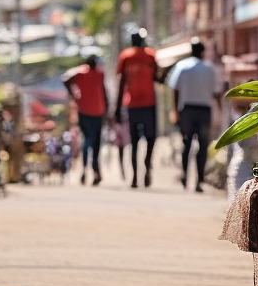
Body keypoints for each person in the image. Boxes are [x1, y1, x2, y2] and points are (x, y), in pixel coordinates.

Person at [167, 38, 220, 192]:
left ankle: (185, 175)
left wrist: (175, 111)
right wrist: (219, 111)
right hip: (204, 111)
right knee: (202, 147)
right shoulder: (209, 69)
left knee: (187, 144)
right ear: (203, 51)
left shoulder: (182, 66)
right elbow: (215, 92)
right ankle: (199, 180)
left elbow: (175, 90)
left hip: (187, 111)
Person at [116, 30, 159, 189]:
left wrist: (117, 107)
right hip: (148, 104)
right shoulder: (150, 55)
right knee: (150, 139)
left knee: (134, 142)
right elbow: (157, 76)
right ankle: (146, 167)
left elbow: (121, 83)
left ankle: (135, 176)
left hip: (132, 105)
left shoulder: (125, 56)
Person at [63, 54, 108, 186]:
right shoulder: (89, 72)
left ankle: (89, 170)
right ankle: (92, 170)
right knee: (92, 143)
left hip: (89, 111)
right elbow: (104, 92)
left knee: (88, 141)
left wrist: (73, 94)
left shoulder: (82, 72)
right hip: (94, 112)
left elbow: (65, 79)